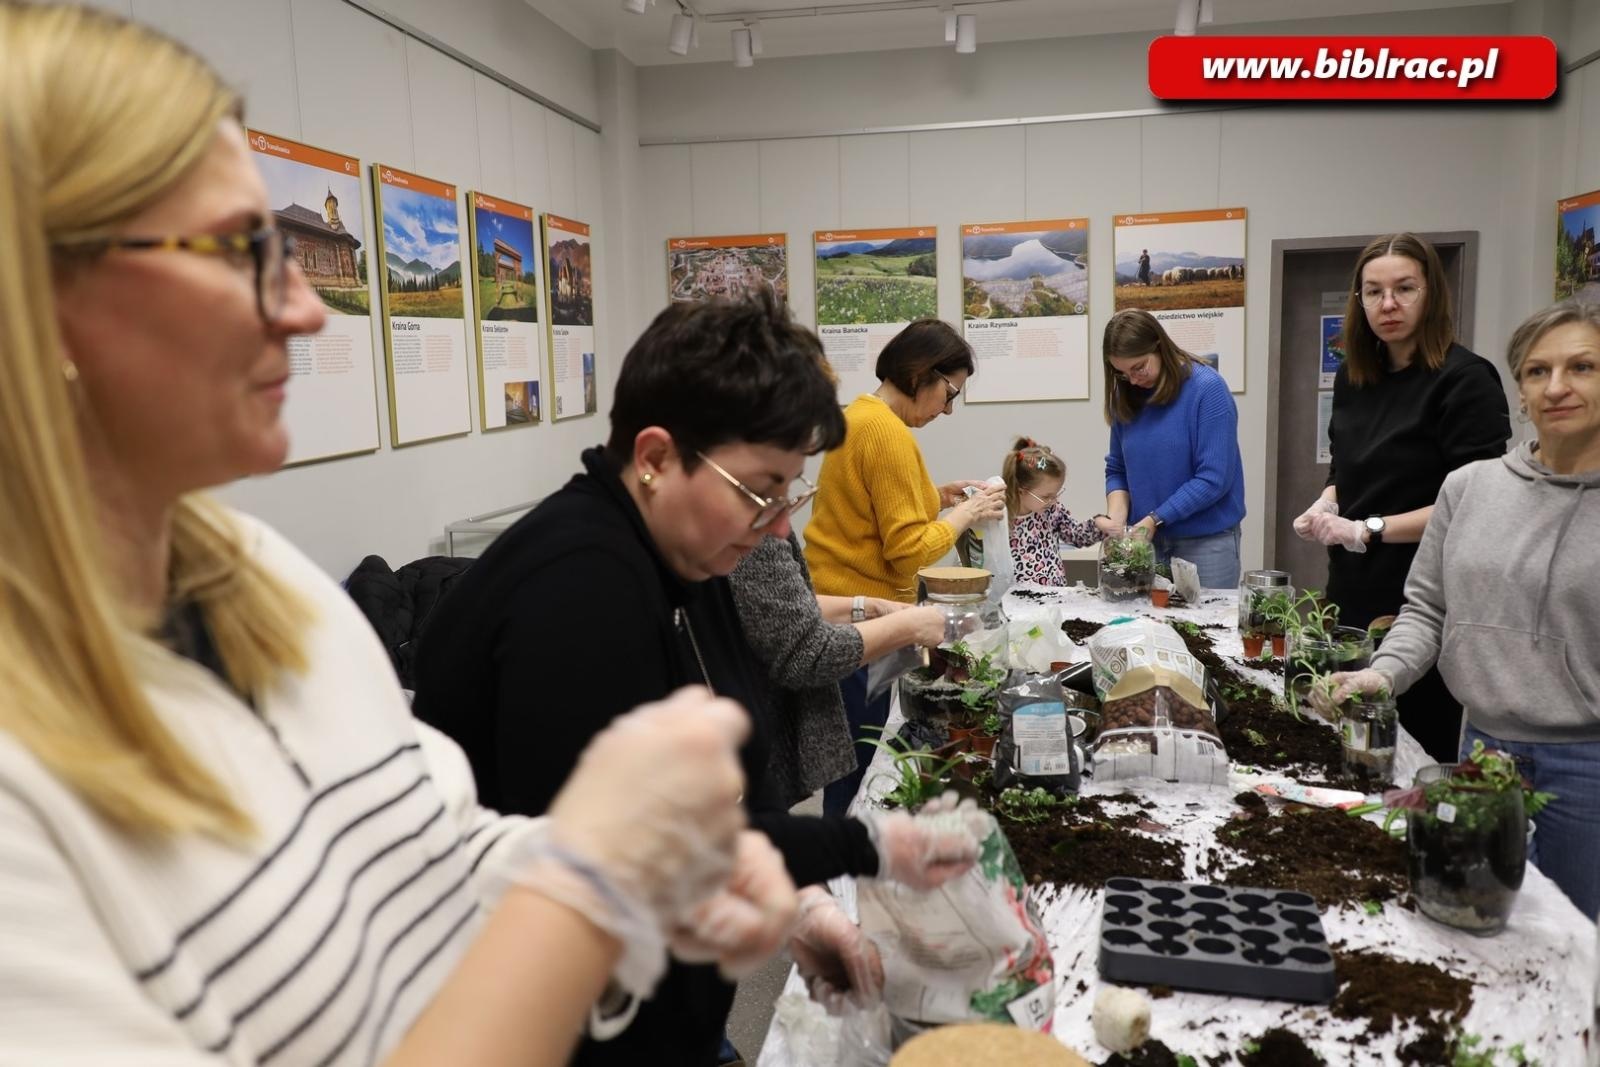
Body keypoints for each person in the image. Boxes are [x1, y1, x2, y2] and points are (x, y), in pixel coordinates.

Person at [0, 6, 794, 1064]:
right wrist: (588, 877)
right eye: (242, 250)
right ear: (42, 296)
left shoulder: (261, 583)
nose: (307, 308)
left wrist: (646, 871)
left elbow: (435, 848)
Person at [412, 294, 984, 1065]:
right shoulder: (579, 594)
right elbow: (620, 867)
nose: (783, 524)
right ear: (653, 458)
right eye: (762, 489)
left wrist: (809, 895)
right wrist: (848, 854)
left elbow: (703, 820)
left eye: (791, 491)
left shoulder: (689, 554)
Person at [1324, 299, 1600, 919]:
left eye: (1582, 367)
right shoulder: (1469, 488)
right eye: (1537, 371)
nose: (1556, 387)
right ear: (1521, 392)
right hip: (1481, 749)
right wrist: (1380, 675)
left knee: (1570, 941)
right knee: (1476, 924)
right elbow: (1425, 610)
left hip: (1586, 766)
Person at [1292, 233, 1510, 762]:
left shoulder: (1465, 380)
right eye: (1373, 292)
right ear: (1359, 300)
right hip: (1353, 585)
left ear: (1430, 293)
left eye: (1404, 288)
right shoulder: (1353, 377)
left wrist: (1369, 529)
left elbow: (1474, 502)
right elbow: (1347, 468)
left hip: (1426, 599)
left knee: (1411, 752)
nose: (1388, 304)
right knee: (1346, 740)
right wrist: (1328, 503)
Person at [802, 318, 1006, 814]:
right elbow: (907, 549)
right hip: (859, 620)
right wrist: (966, 515)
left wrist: (937, 498)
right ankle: (847, 876)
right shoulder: (885, 433)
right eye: (950, 391)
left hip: (846, 609)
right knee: (863, 764)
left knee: (857, 756)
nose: (948, 408)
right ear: (922, 375)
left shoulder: (864, 417)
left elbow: (872, 513)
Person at [729, 533, 947, 809]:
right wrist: (909, 628)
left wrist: (867, 607)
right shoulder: (756, 538)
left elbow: (794, 611)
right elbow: (808, 653)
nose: (785, 525)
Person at [1094, 309, 1246, 588]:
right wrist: (1117, 519)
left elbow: (1214, 479)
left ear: (1159, 346)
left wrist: (1155, 518)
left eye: (1139, 367)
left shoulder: (1207, 389)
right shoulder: (1126, 396)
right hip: (1148, 543)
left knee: (1205, 629)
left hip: (1205, 545)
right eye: (1123, 373)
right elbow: (1117, 469)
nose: (1135, 379)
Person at [1001, 437, 1104, 586]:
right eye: (1046, 496)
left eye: (1056, 494)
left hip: (1054, 597)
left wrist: (1099, 525)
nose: (1054, 501)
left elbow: (1075, 535)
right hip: (1016, 601)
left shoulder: (1053, 511)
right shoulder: (1000, 518)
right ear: (1021, 491)